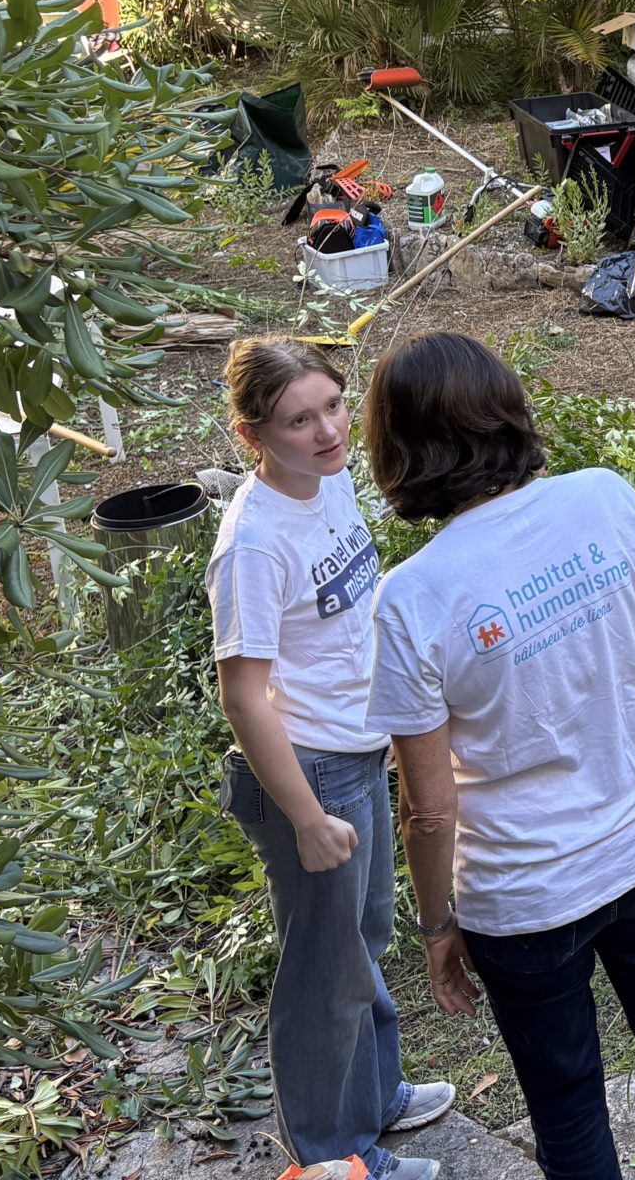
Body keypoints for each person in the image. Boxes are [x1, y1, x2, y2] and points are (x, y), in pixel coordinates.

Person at [362, 334, 635, 1180]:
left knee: (566, 1100)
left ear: (401, 450)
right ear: (507, 408)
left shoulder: (411, 598)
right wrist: (632, 767)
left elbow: (427, 809)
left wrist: (436, 927)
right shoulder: (606, 498)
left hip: (525, 895)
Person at [207, 339, 450, 1180]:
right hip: (308, 772)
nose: (328, 431)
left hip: (357, 747)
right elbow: (244, 696)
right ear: (252, 436)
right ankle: (333, 1158)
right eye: (297, 421)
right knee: (325, 974)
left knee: (365, 938)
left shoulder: (330, 479)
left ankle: (375, 1098)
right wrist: (307, 819)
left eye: (334, 406)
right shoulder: (253, 543)